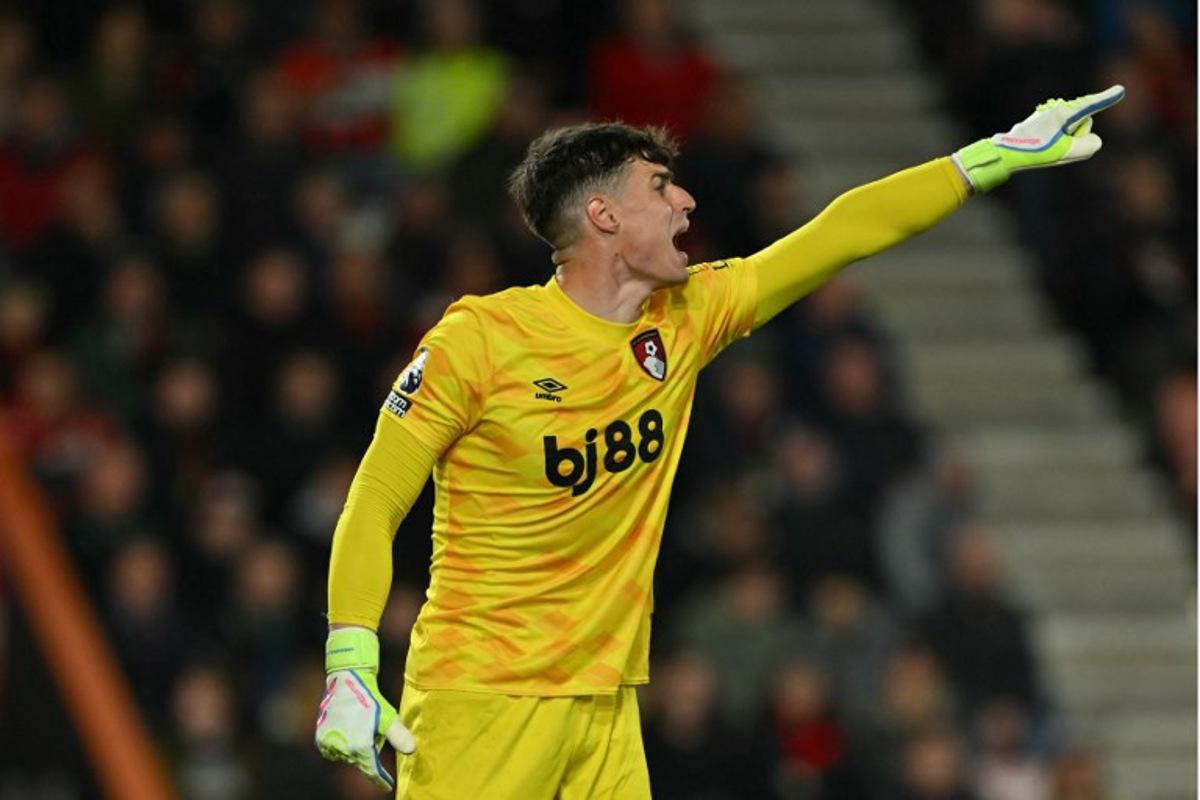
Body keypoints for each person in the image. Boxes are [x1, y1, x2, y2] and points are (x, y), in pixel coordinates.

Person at [313, 86, 1125, 798]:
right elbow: (376, 500)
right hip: (484, 698)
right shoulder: (479, 341)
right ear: (603, 215)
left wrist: (986, 158)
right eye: (661, 188)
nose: (686, 203)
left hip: (607, 702)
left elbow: (838, 234)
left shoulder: (688, 318)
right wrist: (350, 658)